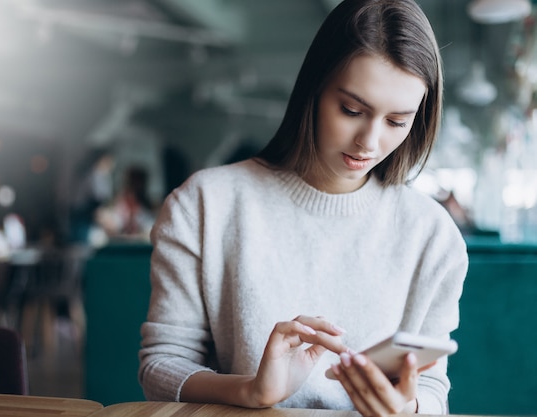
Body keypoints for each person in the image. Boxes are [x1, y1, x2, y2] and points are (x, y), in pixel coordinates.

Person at [138, 0, 468, 415]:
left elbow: (433, 387)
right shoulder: (204, 205)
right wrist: (251, 391)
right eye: (351, 110)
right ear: (313, 89)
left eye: (397, 121)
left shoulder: (432, 235)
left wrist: (410, 409)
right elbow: (160, 367)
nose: (368, 141)